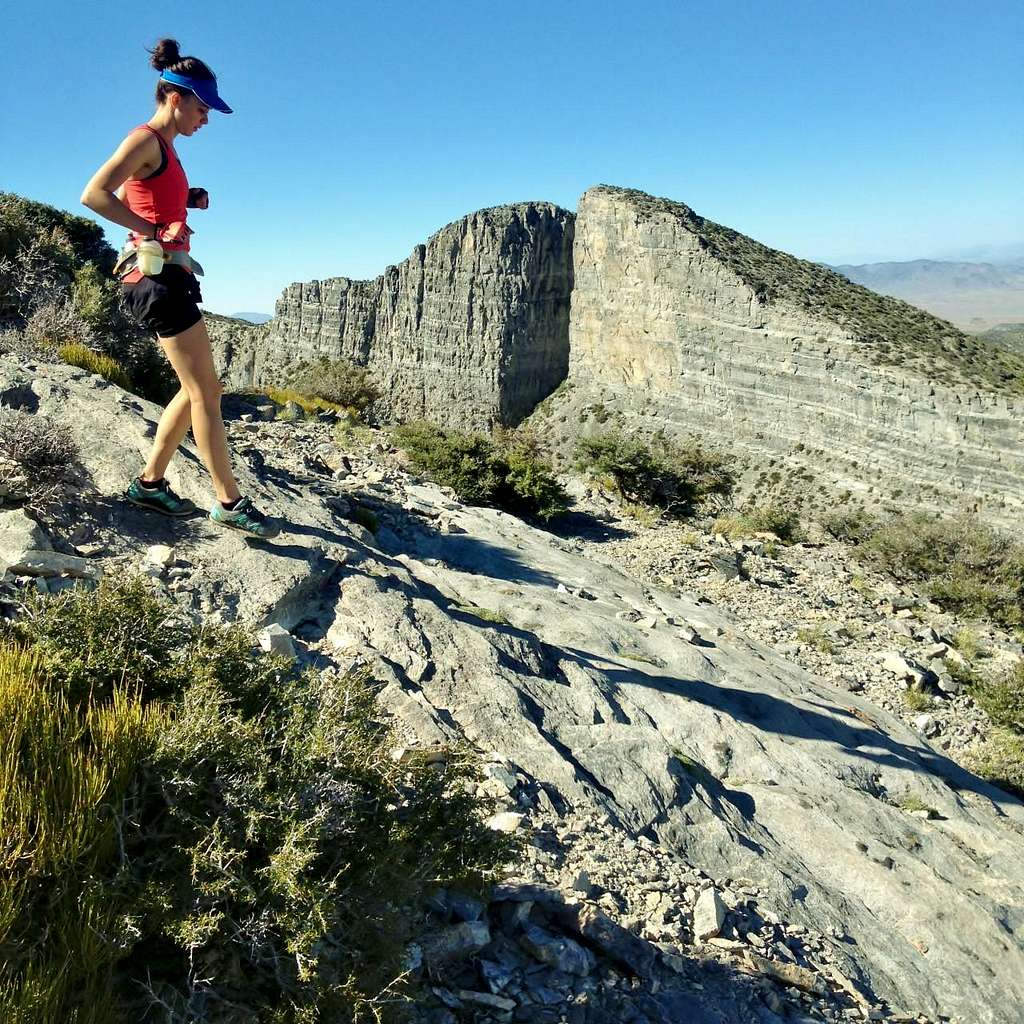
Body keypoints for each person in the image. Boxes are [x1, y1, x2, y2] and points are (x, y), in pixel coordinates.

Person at [80, 37, 279, 539]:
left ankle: (150, 484)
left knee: (194, 390)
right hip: (154, 277)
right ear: (176, 97)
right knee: (207, 393)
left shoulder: (164, 149)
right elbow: (95, 194)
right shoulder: (146, 139)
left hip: (168, 273)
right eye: (202, 107)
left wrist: (184, 198)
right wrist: (149, 231)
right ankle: (230, 502)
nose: (205, 118)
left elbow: (133, 191)